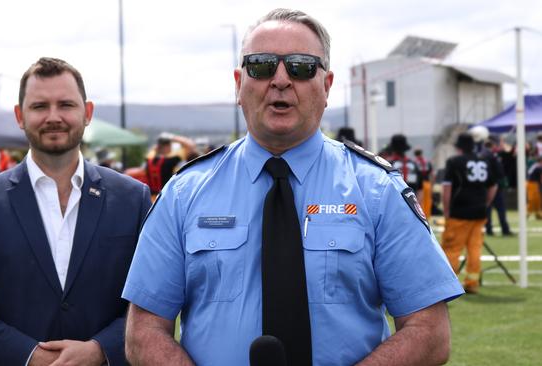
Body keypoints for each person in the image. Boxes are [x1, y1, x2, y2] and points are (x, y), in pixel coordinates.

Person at [122, 8, 463, 366]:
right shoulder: (184, 193)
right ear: (239, 84)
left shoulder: (376, 190)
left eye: (300, 67)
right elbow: (143, 331)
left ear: (327, 86)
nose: (280, 80)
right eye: (262, 66)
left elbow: (429, 331)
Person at [0, 57, 151, 365]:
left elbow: (150, 302)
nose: (54, 117)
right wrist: (31, 356)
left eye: (66, 104)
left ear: (87, 112)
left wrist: (99, 350)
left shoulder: (132, 198)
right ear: (19, 115)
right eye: (39, 106)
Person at [442, 133, 497, 294]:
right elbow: (493, 186)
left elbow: (447, 189)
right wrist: (486, 203)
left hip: (459, 210)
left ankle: (447, 286)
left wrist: (446, 211)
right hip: (479, 211)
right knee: (474, 248)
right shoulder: (484, 161)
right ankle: (472, 282)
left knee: (452, 248)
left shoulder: (454, 162)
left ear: (458, 147)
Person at [482, 139, 513, 235]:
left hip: (487, 186)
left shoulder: (483, 155)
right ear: (492, 145)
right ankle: (505, 229)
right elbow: (498, 171)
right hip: (494, 186)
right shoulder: (492, 156)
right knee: (500, 208)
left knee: (488, 209)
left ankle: (489, 229)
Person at [413, 147, 434, 219]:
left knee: (419, 200)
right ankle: (427, 215)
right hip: (427, 182)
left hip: (419, 183)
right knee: (427, 200)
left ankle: (421, 216)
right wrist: (432, 184)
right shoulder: (427, 161)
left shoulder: (414, 162)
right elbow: (431, 174)